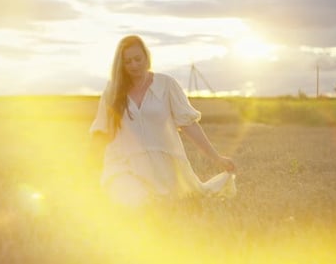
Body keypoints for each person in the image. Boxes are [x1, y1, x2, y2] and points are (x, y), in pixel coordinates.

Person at [88, 35, 236, 207]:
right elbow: (102, 131)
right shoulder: (112, 91)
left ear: (146, 57)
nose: (134, 65)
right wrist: (88, 168)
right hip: (122, 164)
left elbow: (188, 125)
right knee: (134, 204)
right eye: (127, 61)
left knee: (168, 204)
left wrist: (216, 158)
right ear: (121, 64)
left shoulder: (167, 85)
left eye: (137, 59)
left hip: (162, 169)